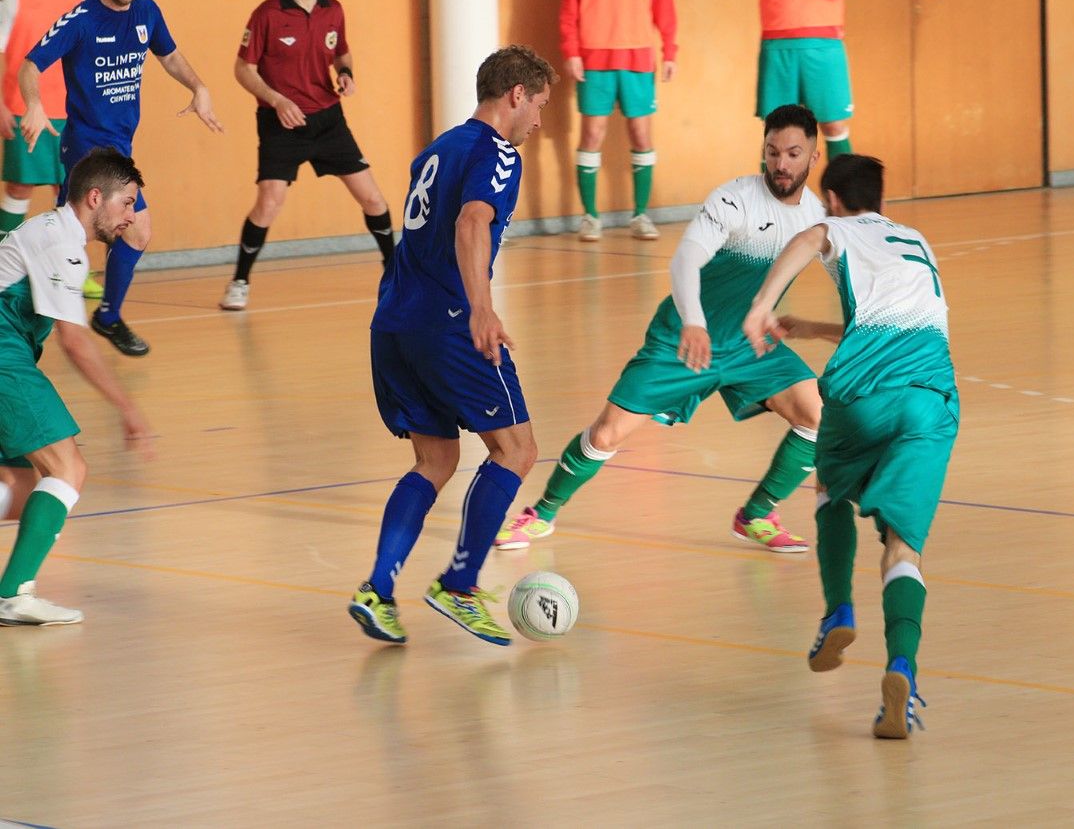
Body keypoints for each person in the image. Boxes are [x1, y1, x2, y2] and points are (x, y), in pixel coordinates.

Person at [494, 104, 826, 554]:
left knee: (817, 417)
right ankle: (542, 514)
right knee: (608, 432)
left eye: (792, 154)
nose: (781, 164)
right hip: (684, 339)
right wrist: (693, 321)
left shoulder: (815, 215)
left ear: (814, 156)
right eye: (772, 152)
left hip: (750, 345)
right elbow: (687, 257)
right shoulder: (734, 199)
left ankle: (757, 514)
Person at [742, 153, 959, 739]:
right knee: (902, 548)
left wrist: (762, 305)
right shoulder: (916, 241)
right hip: (930, 400)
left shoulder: (832, 227)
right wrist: (812, 328)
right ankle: (903, 674)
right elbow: (901, 319)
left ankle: (838, 608)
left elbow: (809, 239)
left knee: (830, 488)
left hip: (862, 397)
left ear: (833, 199)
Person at [346, 45, 557, 646]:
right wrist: (482, 310)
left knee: (434, 461)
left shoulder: (437, 149)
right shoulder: (498, 152)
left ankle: (377, 592)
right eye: (538, 105)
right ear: (516, 93)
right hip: (448, 324)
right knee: (517, 450)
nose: (538, 121)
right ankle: (459, 585)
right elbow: (471, 222)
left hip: (393, 326)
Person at [20, 0, 223, 357]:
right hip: (89, 151)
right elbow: (31, 65)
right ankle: (102, 318)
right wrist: (33, 103)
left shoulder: (147, 11)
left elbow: (170, 56)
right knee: (135, 229)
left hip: (119, 148)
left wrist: (199, 87)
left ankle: (44, 319)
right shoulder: (81, 20)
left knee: (66, 236)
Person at [0, 146, 152, 626]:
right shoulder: (61, 246)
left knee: (22, 486)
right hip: (4, 356)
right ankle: (13, 596)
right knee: (68, 468)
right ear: (94, 198)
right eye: (127, 203)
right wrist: (128, 408)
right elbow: (76, 343)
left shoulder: (54, 233)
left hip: (12, 354)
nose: (132, 216)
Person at [218, 0, 394, 312]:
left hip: (329, 120)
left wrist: (346, 74)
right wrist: (276, 100)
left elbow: (342, 52)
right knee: (269, 203)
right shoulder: (267, 13)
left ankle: (397, 272)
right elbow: (243, 69)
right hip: (280, 122)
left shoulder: (334, 10)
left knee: (373, 198)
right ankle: (239, 281)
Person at [560, 0, 676, 242]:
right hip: (593, 56)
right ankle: (590, 217)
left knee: (641, 135)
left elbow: (664, 6)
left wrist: (670, 51)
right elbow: (569, 9)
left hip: (639, 56)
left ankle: (640, 215)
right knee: (591, 135)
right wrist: (571, 51)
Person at [0, 0, 94, 292]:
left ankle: (71, 271)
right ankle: (3, 268)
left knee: (70, 190)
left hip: (71, 112)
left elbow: (91, 55)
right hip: (23, 107)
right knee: (20, 186)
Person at [748, 0, 854, 160]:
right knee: (777, 129)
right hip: (777, 44)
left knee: (833, 125)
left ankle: (843, 189)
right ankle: (770, 190)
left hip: (825, 43)